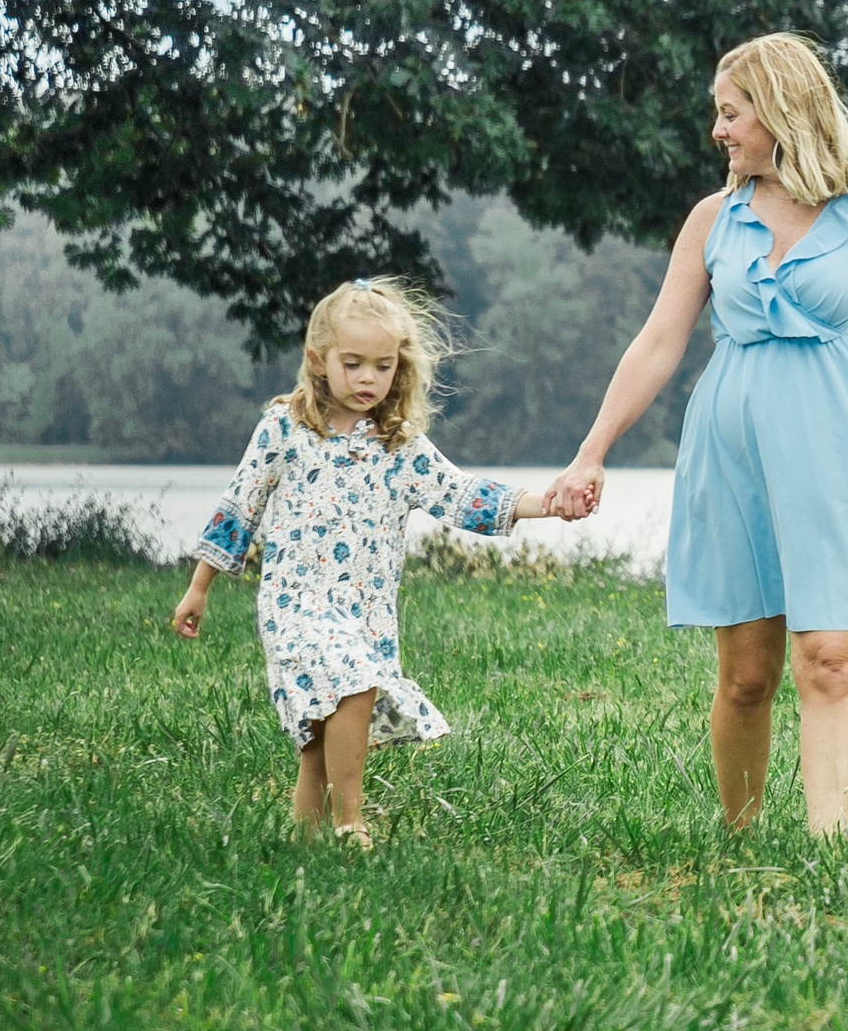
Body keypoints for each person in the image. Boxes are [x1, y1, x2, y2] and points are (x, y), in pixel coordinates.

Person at [544, 33, 848, 836]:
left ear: (782, 109)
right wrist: (592, 450)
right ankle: (740, 835)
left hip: (834, 448)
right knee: (748, 673)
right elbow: (658, 342)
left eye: (730, 112)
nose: (718, 131)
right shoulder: (714, 218)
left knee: (828, 656)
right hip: (732, 450)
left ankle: (831, 851)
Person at [168, 278, 562, 850]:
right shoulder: (285, 428)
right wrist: (198, 587)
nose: (367, 379)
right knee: (353, 686)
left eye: (381, 366)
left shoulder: (399, 445)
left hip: (364, 614)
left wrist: (541, 504)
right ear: (317, 359)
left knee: (320, 737)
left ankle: (306, 847)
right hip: (294, 604)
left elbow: (461, 495)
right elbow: (240, 506)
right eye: (352, 364)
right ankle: (350, 823)